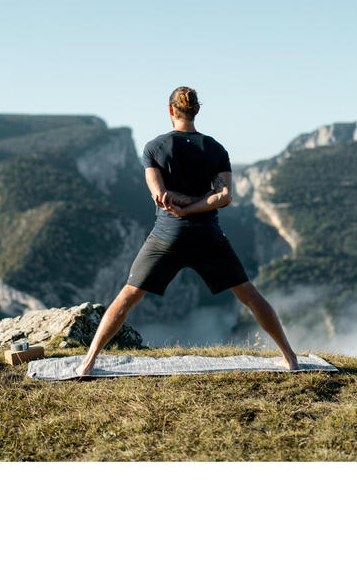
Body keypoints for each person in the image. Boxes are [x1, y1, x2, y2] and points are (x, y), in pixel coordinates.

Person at [74, 86, 299, 376]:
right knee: (251, 297)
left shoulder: (154, 147)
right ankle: (290, 359)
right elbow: (225, 196)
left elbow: (160, 195)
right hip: (209, 237)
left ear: (171, 111)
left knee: (127, 297)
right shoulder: (216, 149)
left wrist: (180, 205)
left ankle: (88, 362)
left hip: (167, 237)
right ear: (197, 111)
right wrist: (196, 205)